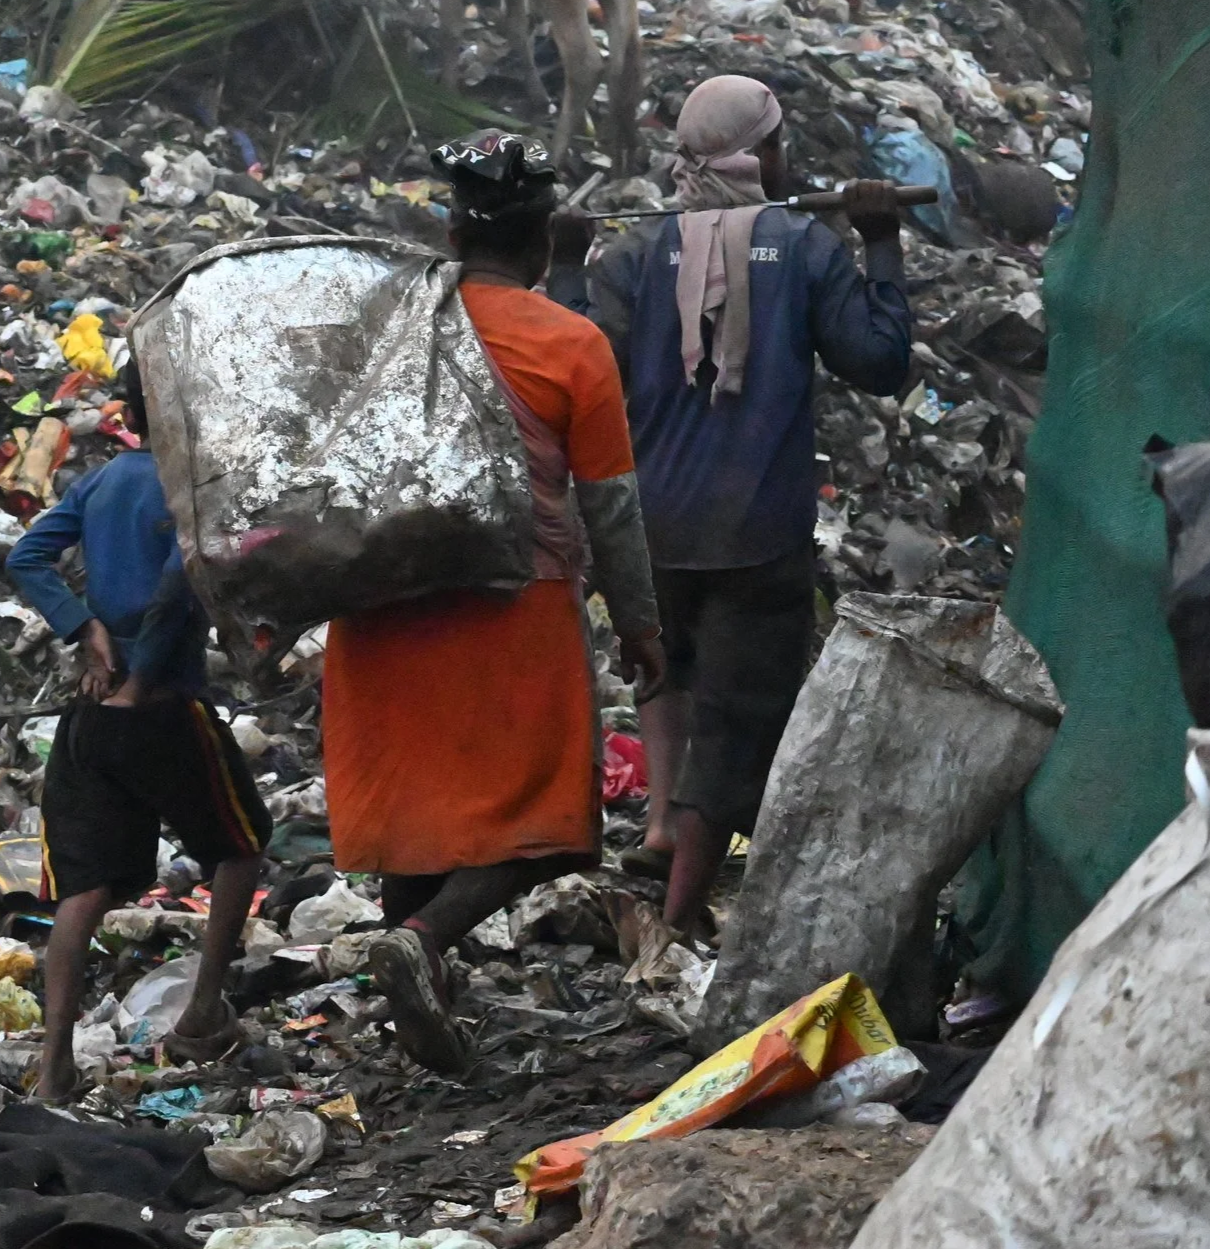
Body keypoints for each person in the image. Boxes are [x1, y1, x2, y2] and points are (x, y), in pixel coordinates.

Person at [322, 131, 665, 1075]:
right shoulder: (573, 342)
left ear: (450, 228)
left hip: (382, 598)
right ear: (546, 242)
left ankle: (418, 1006)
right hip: (516, 606)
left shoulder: (387, 322)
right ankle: (424, 943)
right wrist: (639, 624)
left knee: (411, 803)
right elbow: (612, 505)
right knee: (552, 819)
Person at [549, 73, 912, 934]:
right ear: (762, 153)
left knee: (667, 666)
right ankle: (679, 914)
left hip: (649, 527)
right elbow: (881, 361)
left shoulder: (634, 255)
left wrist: (565, 264)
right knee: (740, 715)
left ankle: (661, 820)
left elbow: (576, 364)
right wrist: (883, 240)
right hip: (758, 528)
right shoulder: (809, 247)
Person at [5, 363, 273, 1101]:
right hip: (159, 702)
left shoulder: (99, 481)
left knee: (83, 889)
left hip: (88, 711)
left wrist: (83, 626)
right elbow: (172, 592)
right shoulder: (191, 491)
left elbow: (25, 557)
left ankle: (54, 1063)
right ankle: (200, 1014)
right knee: (242, 844)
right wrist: (141, 680)